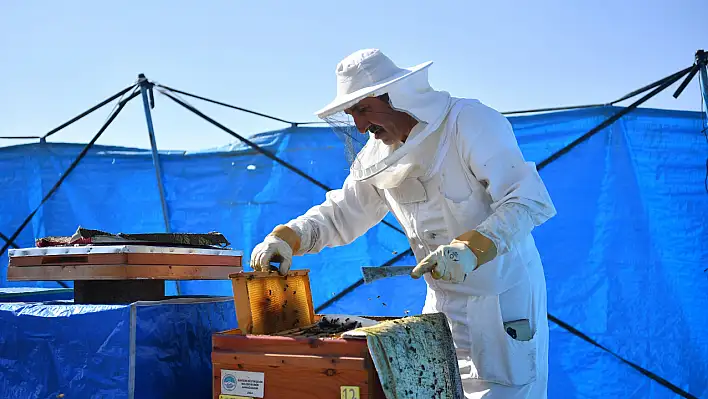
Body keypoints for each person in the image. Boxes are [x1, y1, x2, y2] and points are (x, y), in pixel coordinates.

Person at [250, 48, 557, 398]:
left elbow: (527, 200)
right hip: (441, 309)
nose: (360, 126)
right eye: (352, 114)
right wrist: (288, 237)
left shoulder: (469, 122)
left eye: (364, 109)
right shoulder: (376, 156)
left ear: (397, 96)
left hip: (501, 305)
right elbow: (341, 212)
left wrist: (471, 248)